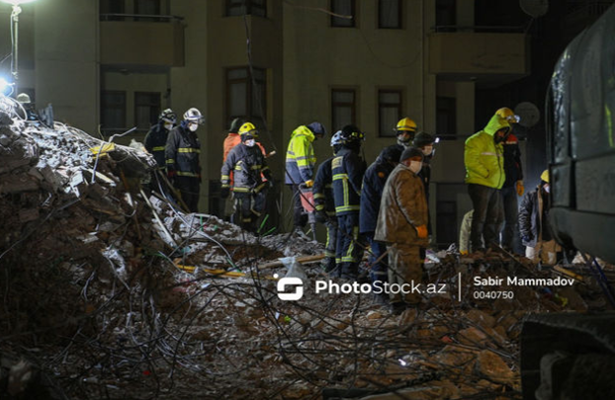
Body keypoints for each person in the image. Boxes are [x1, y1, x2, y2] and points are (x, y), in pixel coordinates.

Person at [375, 147, 429, 314]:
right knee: (409, 268)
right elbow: (406, 203)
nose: (419, 164)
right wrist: (419, 224)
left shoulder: (398, 174)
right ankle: (412, 302)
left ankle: (397, 302)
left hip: (395, 231)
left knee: (395, 267)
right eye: (418, 160)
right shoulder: (405, 176)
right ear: (408, 160)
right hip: (403, 231)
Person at [360, 145, 402, 303]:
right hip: (375, 222)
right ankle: (379, 293)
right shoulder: (379, 170)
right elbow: (387, 194)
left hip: (378, 222)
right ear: (391, 160)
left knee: (383, 256)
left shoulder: (379, 168)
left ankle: (384, 291)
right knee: (380, 256)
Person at [464, 111, 509, 251]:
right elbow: (471, 161)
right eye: (501, 132)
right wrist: (487, 174)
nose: (502, 135)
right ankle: (477, 246)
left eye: (503, 133)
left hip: (494, 185)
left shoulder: (497, 145)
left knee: (495, 218)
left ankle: (491, 245)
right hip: (480, 184)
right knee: (481, 217)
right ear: (495, 129)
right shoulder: (476, 140)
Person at [221, 122, 273, 232]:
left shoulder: (257, 150)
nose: (252, 140)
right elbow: (226, 167)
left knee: (260, 201)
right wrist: (225, 185)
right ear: (243, 137)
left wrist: (269, 176)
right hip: (242, 187)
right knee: (244, 211)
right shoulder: (236, 151)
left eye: (253, 137)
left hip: (255, 185)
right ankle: (243, 232)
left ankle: (251, 226)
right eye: (250, 137)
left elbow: (263, 165)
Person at [332, 125, 365, 280]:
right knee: (354, 238)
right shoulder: (351, 157)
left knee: (343, 238)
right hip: (353, 205)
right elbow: (356, 180)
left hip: (341, 207)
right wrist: (365, 198)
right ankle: (349, 270)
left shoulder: (337, 157)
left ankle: (339, 268)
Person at [285, 122, 326, 235]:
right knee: (300, 203)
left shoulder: (305, 139)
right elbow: (302, 161)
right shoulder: (301, 139)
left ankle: (300, 229)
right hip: (297, 177)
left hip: (298, 176)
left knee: (304, 204)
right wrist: (307, 178)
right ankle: (297, 229)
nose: (317, 139)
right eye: (318, 136)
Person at [495, 107, 525, 253]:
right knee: (497, 219)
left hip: (510, 185)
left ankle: (507, 247)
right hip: (497, 186)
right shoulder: (492, 138)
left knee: (511, 219)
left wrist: (520, 179)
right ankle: (493, 247)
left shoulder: (512, 138)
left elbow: (517, 160)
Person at [519, 169, 561, 265]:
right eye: (549, 184)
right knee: (530, 262)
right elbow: (523, 215)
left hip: (550, 236)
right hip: (534, 236)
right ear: (544, 184)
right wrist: (525, 232)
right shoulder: (532, 196)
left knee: (550, 263)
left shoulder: (557, 198)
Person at [165, 107, 204, 212]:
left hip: (193, 174)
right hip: (181, 174)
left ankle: (193, 222)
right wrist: (171, 169)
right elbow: (170, 152)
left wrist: (198, 172)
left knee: (194, 200)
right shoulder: (176, 132)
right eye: (195, 122)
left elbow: (196, 156)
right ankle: (184, 221)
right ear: (188, 121)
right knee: (185, 200)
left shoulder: (193, 135)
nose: (197, 124)